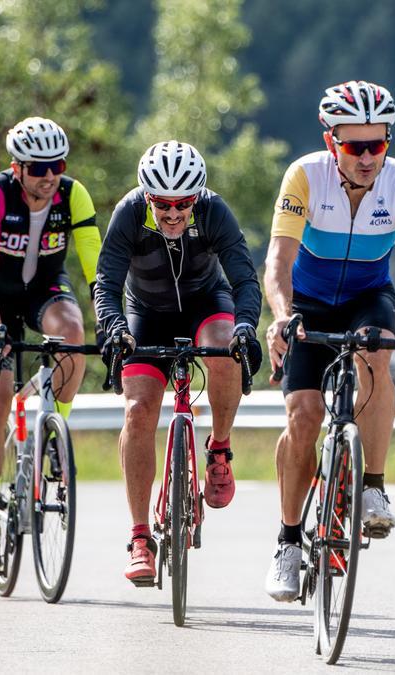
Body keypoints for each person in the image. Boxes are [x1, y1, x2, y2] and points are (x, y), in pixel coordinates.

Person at [263, 80, 395, 601]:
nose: (367, 158)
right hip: (308, 301)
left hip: (368, 297)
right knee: (303, 417)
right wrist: (282, 317)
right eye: (354, 146)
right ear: (330, 141)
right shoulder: (304, 175)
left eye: (377, 145)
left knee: (375, 355)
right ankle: (288, 542)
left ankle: (373, 486)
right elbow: (278, 262)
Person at [95, 140, 263, 586]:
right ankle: (139, 538)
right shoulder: (129, 213)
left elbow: (245, 279)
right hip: (146, 314)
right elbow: (106, 283)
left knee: (225, 348)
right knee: (138, 411)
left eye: (183, 204)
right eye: (163, 204)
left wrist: (247, 326)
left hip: (206, 302)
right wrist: (115, 328)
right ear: (147, 196)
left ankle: (219, 449)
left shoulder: (213, 211)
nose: (173, 214)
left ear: (197, 197)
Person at [0, 116, 102, 573]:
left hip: (44, 288)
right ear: (17, 168)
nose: (49, 177)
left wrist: (112, 321)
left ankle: (54, 439)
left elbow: (95, 266)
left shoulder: (73, 195)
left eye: (57, 166)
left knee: (73, 333)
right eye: (38, 168)